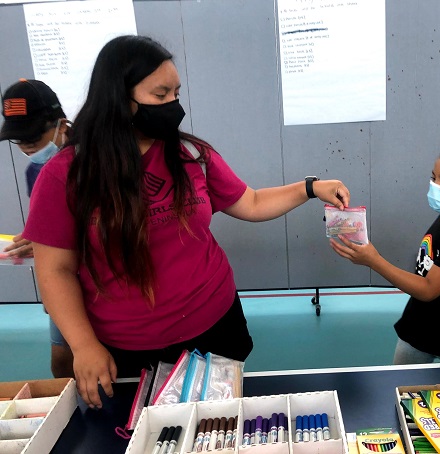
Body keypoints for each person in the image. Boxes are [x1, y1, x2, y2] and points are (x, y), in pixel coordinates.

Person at [22, 35, 350, 408]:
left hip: (216, 327)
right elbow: (55, 271)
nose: (173, 106)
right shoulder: (67, 174)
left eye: (176, 94)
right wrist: (83, 345)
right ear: (118, 98)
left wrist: (310, 188)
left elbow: (253, 202)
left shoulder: (191, 153)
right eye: (160, 96)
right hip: (128, 347)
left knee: (219, 427)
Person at [330, 141, 440, 364]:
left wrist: (374, 260)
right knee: (403, 392)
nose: (435, 186)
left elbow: (428, 289)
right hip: (417, 331)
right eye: (433, 178)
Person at [0, 79, 74, 378]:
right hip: (62, 275)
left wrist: (53, 243)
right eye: (18, 139)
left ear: (61, 123)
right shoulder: (36, 171)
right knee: (61, 362)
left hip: (98, 277)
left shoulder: (95, 162)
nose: (28, 145)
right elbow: (44, 226)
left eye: (33, 135)